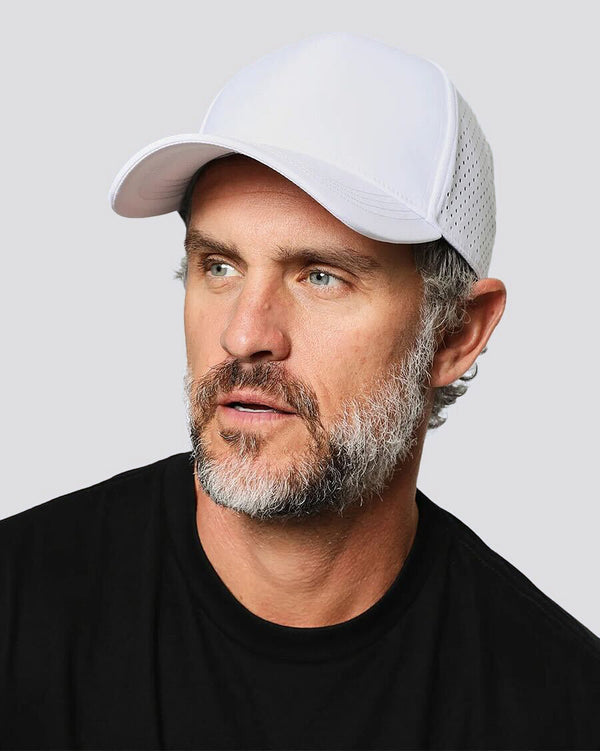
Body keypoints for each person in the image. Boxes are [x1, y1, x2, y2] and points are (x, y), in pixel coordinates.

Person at [1, 32, 598, 751]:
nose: (244, 335)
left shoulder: (560, 706)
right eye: (219, 266)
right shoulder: (18, 610)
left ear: (456, 334)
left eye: (320, 276)